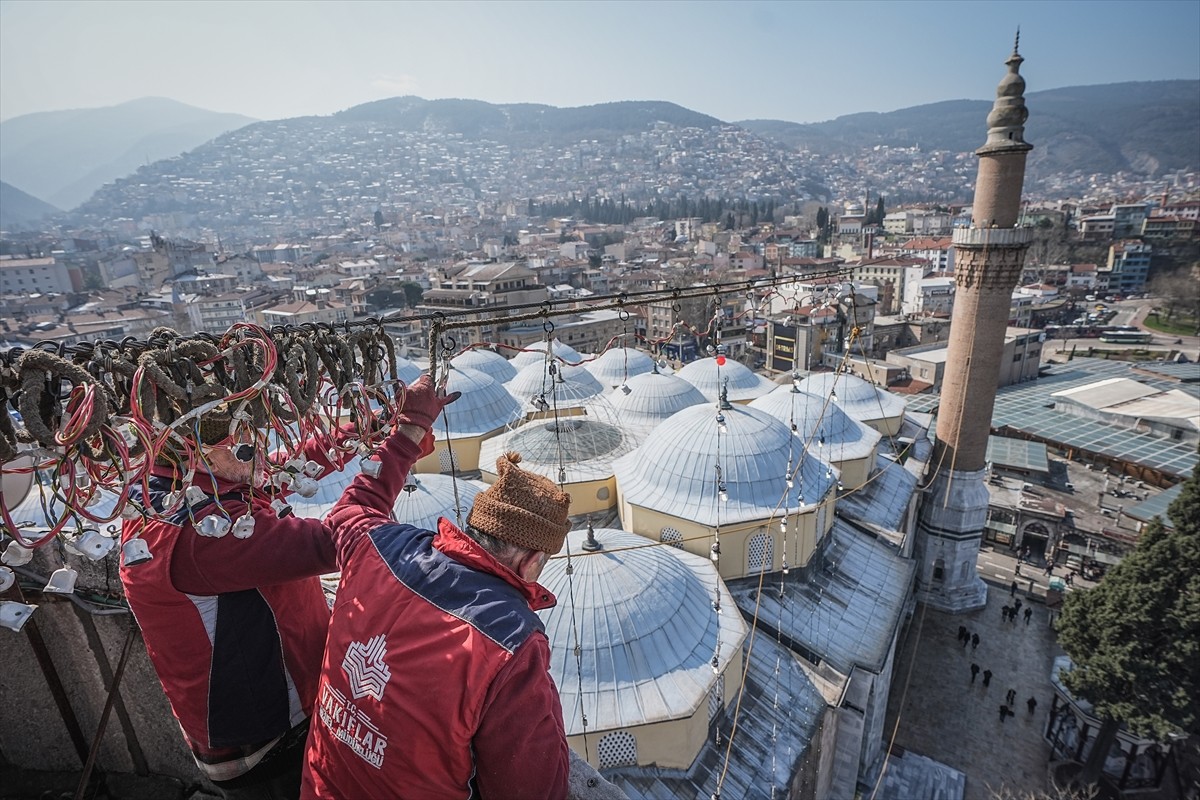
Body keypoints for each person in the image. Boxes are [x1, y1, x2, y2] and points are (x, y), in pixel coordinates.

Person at [120, 375, 455, 798]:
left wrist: (371, 424)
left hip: (261, 726)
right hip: (269, 745)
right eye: (245, 439)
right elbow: (340, 536)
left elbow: (288, 467)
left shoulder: (176, 486)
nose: (259, 448)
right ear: (198, 451)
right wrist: (406, 435)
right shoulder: (201, 535)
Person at [302, 448, 573, 798]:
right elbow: (532, 787)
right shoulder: (511, 641)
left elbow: (347, 513)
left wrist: (410, 433)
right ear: (533, 561)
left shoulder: (381, 544)